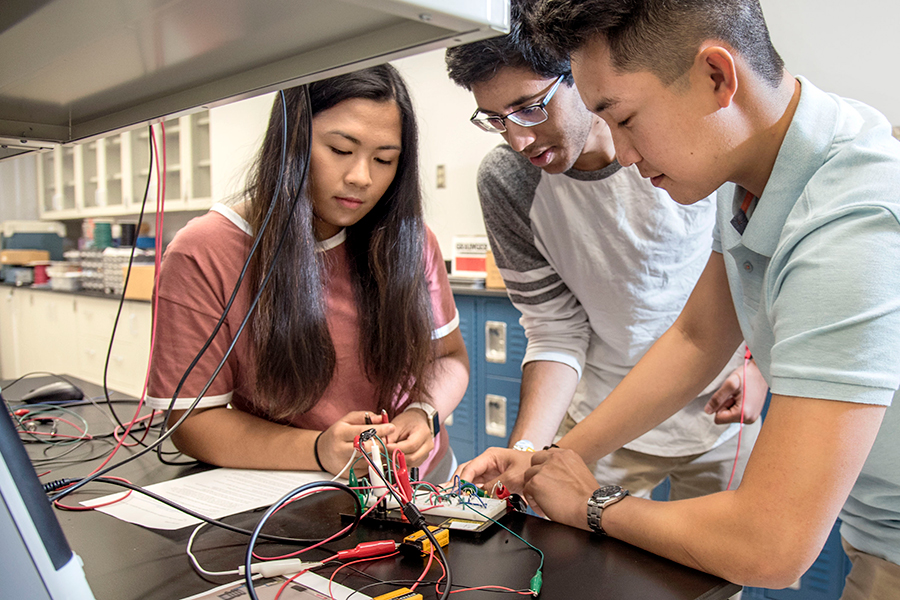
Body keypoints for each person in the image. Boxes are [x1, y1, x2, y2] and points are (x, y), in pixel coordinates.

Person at [460, 0, 900, 596]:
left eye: (625, 118)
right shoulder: (752, 170)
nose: (625, 153)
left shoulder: (853, 224)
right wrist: (551, 460)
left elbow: (769, 547)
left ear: (716, 77)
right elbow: (698, 338)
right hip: (874, 529)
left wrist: (592, 505)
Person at [444, 0, 766, 502]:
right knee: (575, 566)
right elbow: (555, 328)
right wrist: (530, 449)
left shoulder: (691, 142)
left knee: (713, 576)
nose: (519, 138)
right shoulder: (509, 180)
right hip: (603, 413)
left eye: (531, 106)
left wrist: (760, 363)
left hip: (718, 414)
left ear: (579, 70)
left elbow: (753, 276)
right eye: (495, 119)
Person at [146, 65, 469, 484]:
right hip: (301, 486)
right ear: (291, 140)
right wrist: (318, 450)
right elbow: (192, 422)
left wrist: (423, 412)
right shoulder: (206, 252)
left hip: (422, 483)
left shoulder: (409, 239)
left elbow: (449, 358)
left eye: (385, 159)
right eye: (339, 150)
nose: (361, 177)